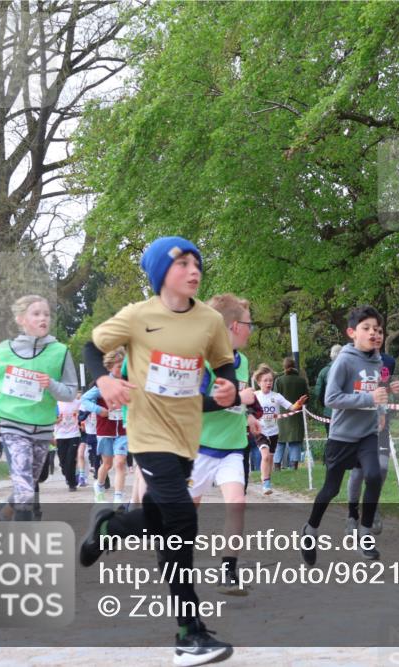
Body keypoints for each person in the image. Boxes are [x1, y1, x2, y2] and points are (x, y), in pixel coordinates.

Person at [78, 235, 237, 665]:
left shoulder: (208, 320)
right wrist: (103, 381)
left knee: (164, 518)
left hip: (188, 434)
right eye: (182, 262)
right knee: (182, 516)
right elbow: (91, 347)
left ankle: (111, 529)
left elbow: (223, 362)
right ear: (159, 273)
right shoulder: (136, 316)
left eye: (196, 262)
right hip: (148, 434)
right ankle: (188, 632)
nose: (193, 269)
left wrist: (228, 386)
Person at [0, 295, 78, 519]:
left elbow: (70, 393)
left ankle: (5, 509)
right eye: (36, 314)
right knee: (26, 491)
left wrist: (50, 384)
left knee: (29, 484)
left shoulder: (60, 352)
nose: (43, 318)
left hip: (43, 428)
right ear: (21, 319)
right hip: (12, 426)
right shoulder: (4, 350)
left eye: (47, 314)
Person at [300, 305, 388, 565]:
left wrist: (380, 406)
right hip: (342, 436)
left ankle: (365, 533)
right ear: (352, 332)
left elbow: (378, 388)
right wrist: (368, 398)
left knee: (374, 475)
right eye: (367, 328)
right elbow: (331, 398)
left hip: (368, 434)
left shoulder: (379, 361)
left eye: (378, 329)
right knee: (330, 489)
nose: (374, 333)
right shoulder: (344, 360)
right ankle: (310, 530)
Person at [189, 293, 258, 596]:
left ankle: (229, 571)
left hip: (232, 447)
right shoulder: (202, 361)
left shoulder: (242, 362)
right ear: (232, 326)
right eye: (248, 323)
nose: (251, 329)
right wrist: (236, 399)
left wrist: (249, 414)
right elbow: (194, 404)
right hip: (199, 447)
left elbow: (237, 400)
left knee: (237, 504)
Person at [346, 326, 399, 535]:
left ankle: (373, 503)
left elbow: (383, 388)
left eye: (379, 332)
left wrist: (387, 402)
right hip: (357, 424)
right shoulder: (351, 361)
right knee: (359, 472)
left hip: (379, 421)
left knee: (383, 468)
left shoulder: (388, 362)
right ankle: (352, 514)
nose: (375, 336)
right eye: (370, 331)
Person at [80, 348, 130, 504]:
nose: (121, 370)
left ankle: (118, 498)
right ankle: (99, 486)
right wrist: (100, 410)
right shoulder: (102, 385)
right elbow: (85, 400)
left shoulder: (128, 382)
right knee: (107, 464)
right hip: (105, 430)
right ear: (109, 368)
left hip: (123, 429)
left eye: (124, 366)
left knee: (120, 462)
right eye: (118, 366)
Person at [253, 364, 307, 494]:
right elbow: (244, 409)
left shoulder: (277, 396)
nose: (268, 383)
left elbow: (292, 408)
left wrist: (298, 403)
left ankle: (267, 479)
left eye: (270, 380)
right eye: (265, 380)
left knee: (270, 459)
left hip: (273, 432)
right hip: (260, 431)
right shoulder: (254, 396)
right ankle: (265, 482)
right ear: (259, 382)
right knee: (265, 457)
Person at [274, 357, 309, 471]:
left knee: (280, 442)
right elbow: (307, 398)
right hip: (297, 415)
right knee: (295, 442)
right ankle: (294, 466)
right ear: (294, 366)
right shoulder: (301, 381)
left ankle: (277, 466)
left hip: (281, 417)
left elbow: (274, 398)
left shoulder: (279, 381)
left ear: (283, 367)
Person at [55, 392, 83, 492]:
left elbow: (87, 404)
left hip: (74, 435)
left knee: (70, 459)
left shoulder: (77, 403)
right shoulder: (56, 403)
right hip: (60, 435)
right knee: (63, 461)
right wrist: (56, 420)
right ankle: (67, 474)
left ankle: (72, 484)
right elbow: (51, 419)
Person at [313, 345, 342, 436]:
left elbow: (318, 392)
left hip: (329, 411)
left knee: (331, 437)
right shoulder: (350, 369)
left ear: (331, 356)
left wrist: (323, 404)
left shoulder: (324, 371)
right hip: (346, 411)